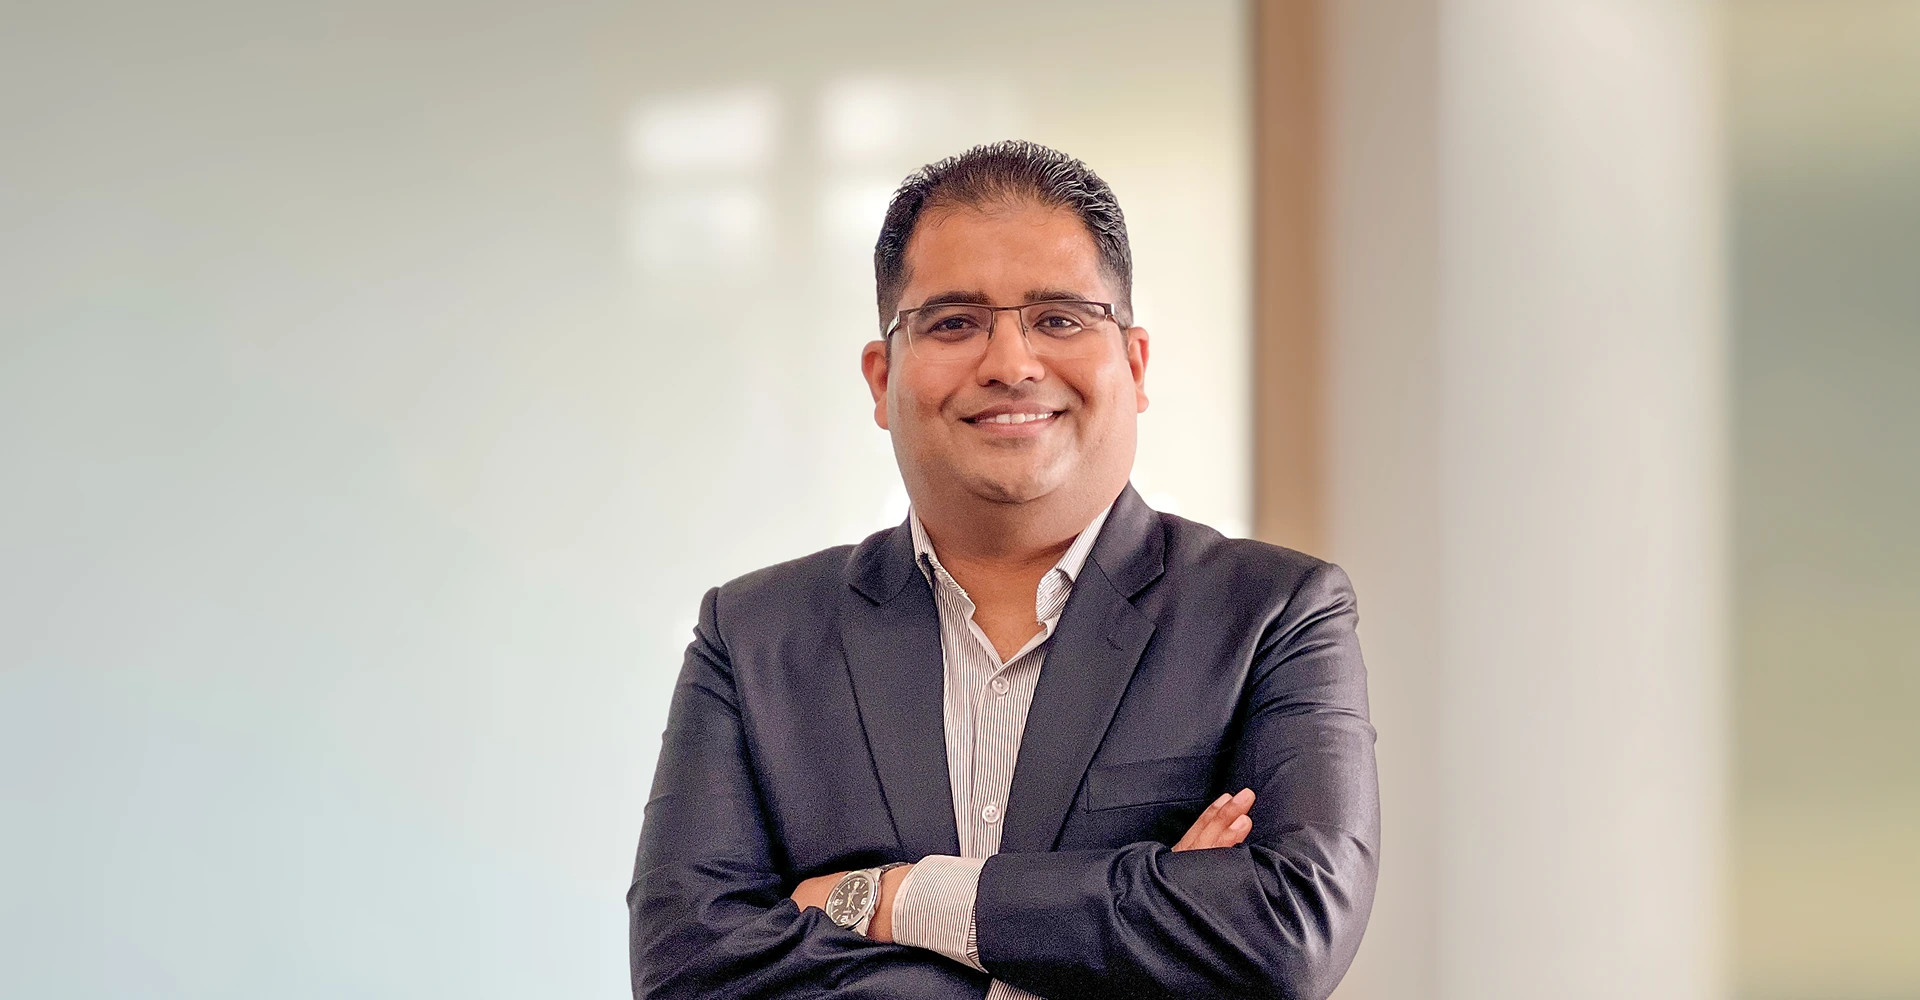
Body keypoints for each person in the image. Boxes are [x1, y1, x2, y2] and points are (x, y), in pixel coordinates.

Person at [628, 140, 1378, 1000]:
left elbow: (1287, 931)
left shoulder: (1276, 614)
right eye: (954, 323)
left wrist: (897, 899)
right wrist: (1135, 942)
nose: (1012, 364)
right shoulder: (754, 637)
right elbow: (687, 970)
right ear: (881, 378)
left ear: (1135, 365)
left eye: (1059, 318)